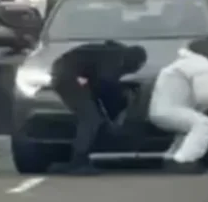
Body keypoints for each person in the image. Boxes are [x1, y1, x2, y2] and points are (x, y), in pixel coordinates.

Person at [51, 40, 148, 175]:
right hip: (67, 77)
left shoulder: (111, 53)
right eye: (135, 67)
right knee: (90, 119)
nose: (132, 71)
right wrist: (121, 100)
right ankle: (78, 161)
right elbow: (105, 83)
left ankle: (81, 159)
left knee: (94, 117)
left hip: (67, 74)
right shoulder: (116, 57)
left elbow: (98, 83)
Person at [148, 36, 208, 174]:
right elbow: (204, 97)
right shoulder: (201, 64)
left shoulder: (181, 63)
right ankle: (184, 161)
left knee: (188, 128)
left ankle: (171, 157)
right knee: (203, 124)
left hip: (159, 110)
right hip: (171, 110)